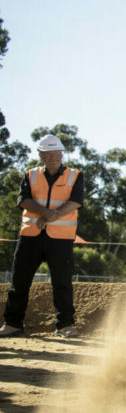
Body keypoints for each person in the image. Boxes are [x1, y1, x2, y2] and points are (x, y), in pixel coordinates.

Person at [0, 135, 84, 338]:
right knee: (20, 281)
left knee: (62, 282)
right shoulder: (31, 175)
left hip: (61, 239)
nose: (54, 157)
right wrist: (46, 213)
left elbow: (75, 201)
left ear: (62, 154)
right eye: (49, 154)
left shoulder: (75, 176)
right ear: (41, 155)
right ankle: (12, 324)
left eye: (57, 153)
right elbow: (23, 200)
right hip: (30, 237)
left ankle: (64, 325)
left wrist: (52, 215)